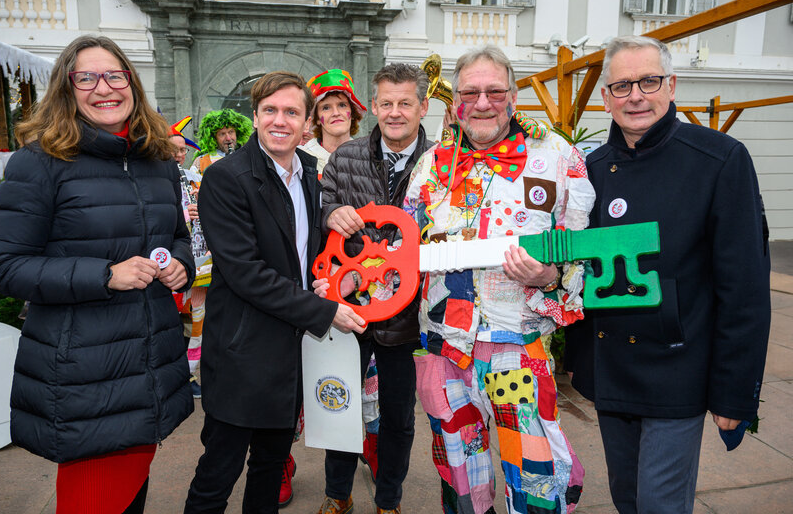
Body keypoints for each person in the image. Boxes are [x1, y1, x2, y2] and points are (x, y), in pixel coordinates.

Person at [0, 35, 195, 514]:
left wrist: (179, 264)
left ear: (132, 85)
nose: (104, 88)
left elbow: (176, 236)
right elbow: (3, 265)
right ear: (66, 88)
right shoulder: (40, 163)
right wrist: (104, 275)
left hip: (149, 360)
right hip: (85, 373)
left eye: (115, 75)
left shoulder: (157, 160)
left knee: (129, 497)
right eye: (87, 77)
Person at [564, 35, 771, 514]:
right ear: (605, 97)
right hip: (613, 371)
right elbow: (581, 270)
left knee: (660, 504)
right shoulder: (589, 170)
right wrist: (578, 360)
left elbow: (743, 291)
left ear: (671, 85)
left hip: (680, 371)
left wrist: (734, 394)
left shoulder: (721, 159)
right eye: (621, 86)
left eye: (649, 81)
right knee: (627, 499)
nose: (635, 95)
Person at [402, 45, 594, 514]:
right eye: (470, 92)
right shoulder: (432, 166)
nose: (482, 102)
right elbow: (402, 249)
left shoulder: (556, 157)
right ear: (455, 102)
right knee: (461, 476)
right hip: (442, 346)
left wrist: (552, 276)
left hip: (515, 345)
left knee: (535, 478)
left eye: (494, 91)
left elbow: (582, 247)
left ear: (513, 97)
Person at [183, 71, 366, 514]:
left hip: (290, 352)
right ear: (255, 116)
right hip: (243, 351)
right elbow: (246, 273)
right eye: (270, 110)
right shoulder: (227, 178)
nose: (279, 121)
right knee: (219, 472)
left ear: (307, 124)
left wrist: (335, 277)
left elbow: (306, 254)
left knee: (270, 468)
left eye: (291, 112)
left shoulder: (308, 174)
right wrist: (322, 310)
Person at [316, 63, 433, 514]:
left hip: (406, 312)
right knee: (339, 404)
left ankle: (389, 500)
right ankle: (337, 495)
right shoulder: (345, 157)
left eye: (405, 103)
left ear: (423, 107)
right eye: (386, 102)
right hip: (352, 305)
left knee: (399, 417)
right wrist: (331, 214)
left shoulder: (439, 162)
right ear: (374, 105)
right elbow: (321, 200)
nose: (395, 112)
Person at [275, 68, 370, 508]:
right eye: (326, 107)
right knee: (289, 382)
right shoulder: (299, 157)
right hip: (301, 285)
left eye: (342, 106)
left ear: (353, 113)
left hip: (358, 284)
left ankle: (361, 449)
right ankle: (280, 462)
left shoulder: (369, 154)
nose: (335, 113)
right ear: (315, 117)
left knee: (353, 381)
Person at [183, 109, 253, 398]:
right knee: (198, 310)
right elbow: (193, 195)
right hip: (205, 243)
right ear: (214, 136)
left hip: (237, 244)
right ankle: (190, 372)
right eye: (222, 133)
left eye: (232, 132)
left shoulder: (247, 157)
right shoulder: (202, 162)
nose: (228, 137)